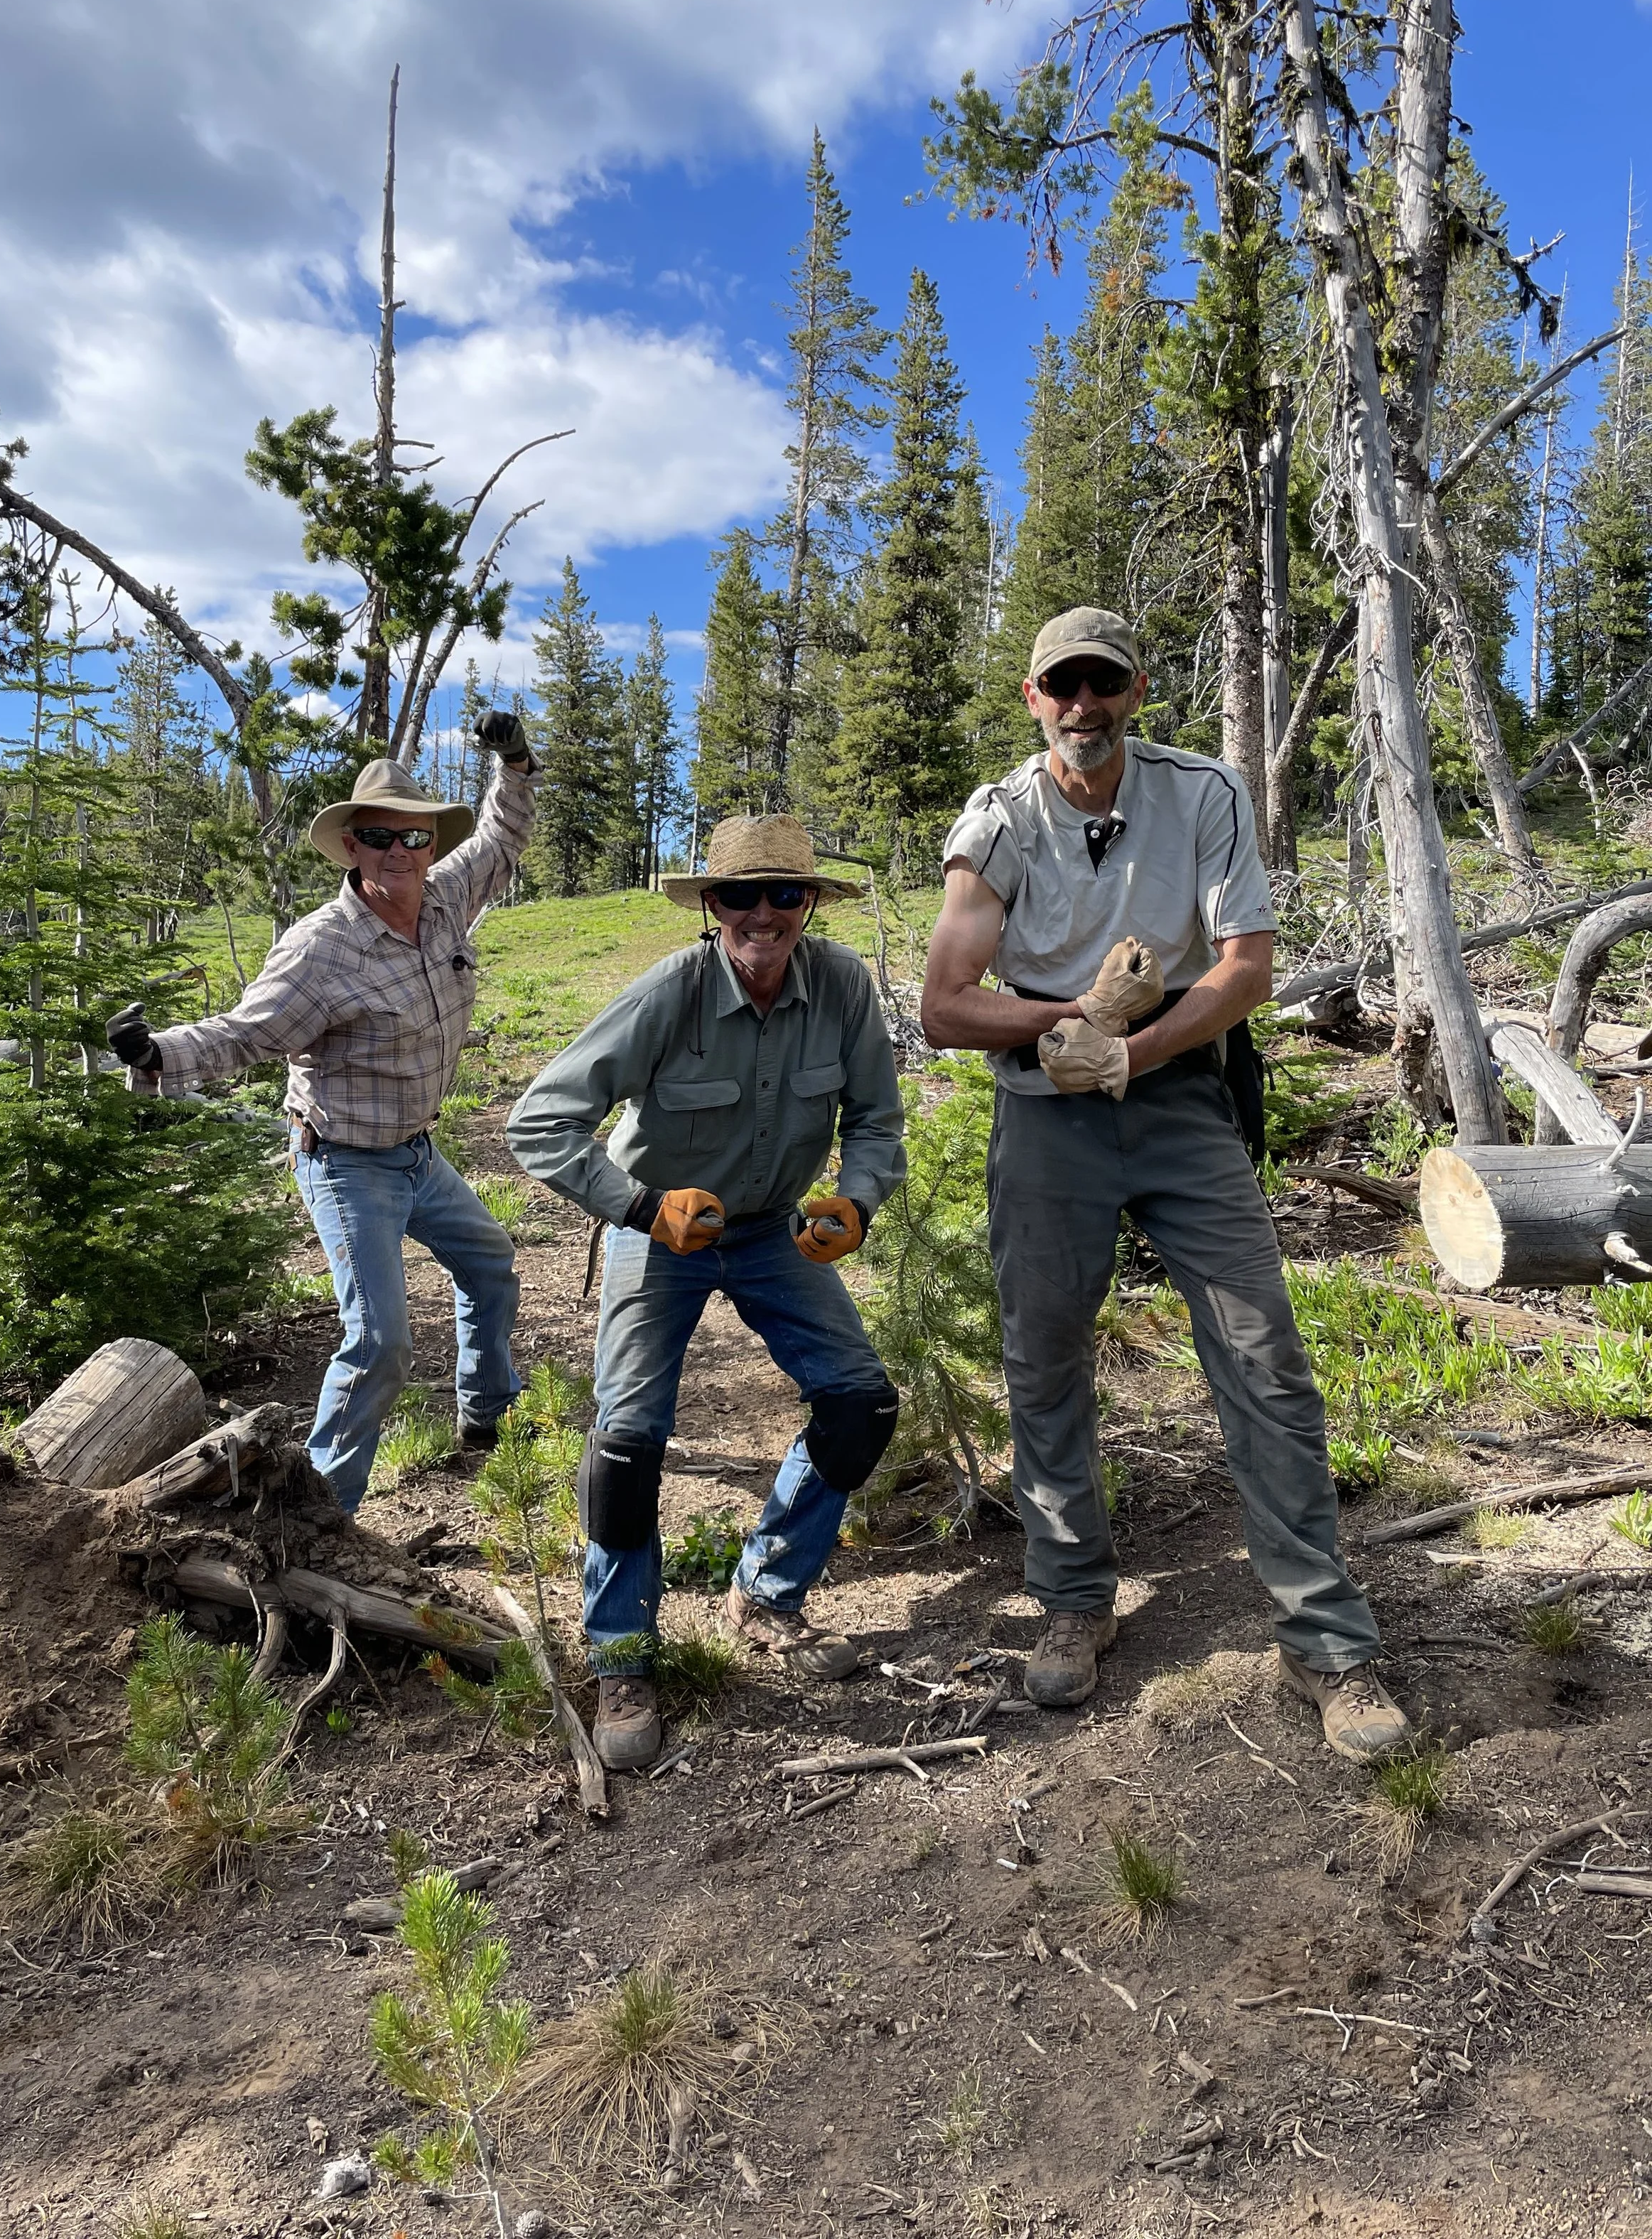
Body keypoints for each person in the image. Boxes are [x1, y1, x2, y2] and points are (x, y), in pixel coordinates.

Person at [920, 608, 1410, 1762]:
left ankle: (1328, 1639)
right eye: (1061, 685)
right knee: (1043, 1354)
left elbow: (1246, 966)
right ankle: (1074, 1595)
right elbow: (945, 1001)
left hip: (1183, 1102)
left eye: (1103, 682)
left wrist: (1134, 1049)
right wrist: (1073, 1023)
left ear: (1137, 689)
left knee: (1261, 1349)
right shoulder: (998, 819)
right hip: (1043, 1112)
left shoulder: (1205, 794)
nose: (1082, 703)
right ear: (1032, 696)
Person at [506, 813, 907, 1772]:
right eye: (739, 896)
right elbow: (538, 1123)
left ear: (811, 903)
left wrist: (856, 1201)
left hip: (775, 1233)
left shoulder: (844, 988)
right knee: (627, 1442)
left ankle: (766, 1592)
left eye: (784, 895)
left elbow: (880, 1122)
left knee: (862, 1407)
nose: (761, 916)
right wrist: (640, 1207)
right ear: (710, 905)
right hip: (664, 1235)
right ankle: (622, 1655)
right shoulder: (670, 993)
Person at [106, 719, 537, 1514]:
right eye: (378, 836)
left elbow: (503, 836)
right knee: (379, 1343)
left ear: (429, 842)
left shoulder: (446, 899)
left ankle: (487, 1413)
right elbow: (246, 1032)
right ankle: (317, 1512)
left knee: (490, 1265)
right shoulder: (320, 950)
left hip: (416, 1151)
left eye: (412, 834)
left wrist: (512, 763)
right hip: (343, 1159)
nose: (398, 850)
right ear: (351, 847)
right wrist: (154, 1054)